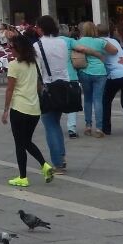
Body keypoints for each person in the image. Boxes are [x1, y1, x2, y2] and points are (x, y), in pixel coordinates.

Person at [0, 33, 55, 188]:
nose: (10, 50)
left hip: (19, 108)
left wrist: (5, 110)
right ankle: (44, 166)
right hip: (34, 109)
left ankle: (23, 176)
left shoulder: (14, 65)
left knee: (20, 144)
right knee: (26, 141)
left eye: (12, 47)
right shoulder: (35, 62)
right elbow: (38, 86)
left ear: (19, 49)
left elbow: (10, 89)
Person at [32, 16, 75, 173]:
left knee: (50, 124)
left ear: (41, 28)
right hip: (64, 84)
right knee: (55, 123)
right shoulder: (62, 42)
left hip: (49, 86)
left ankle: (58, 162)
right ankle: (61, 156)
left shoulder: (38, 45)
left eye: (37, 27)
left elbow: (37, 68)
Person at [71, 21, 110, 140]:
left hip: (85, 71)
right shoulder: (101, 41)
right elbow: (114, 50)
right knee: (98, 100)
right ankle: (99, 128)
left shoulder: (79, 41)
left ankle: (88, 126)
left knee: (87, 99)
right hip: (100, 72)